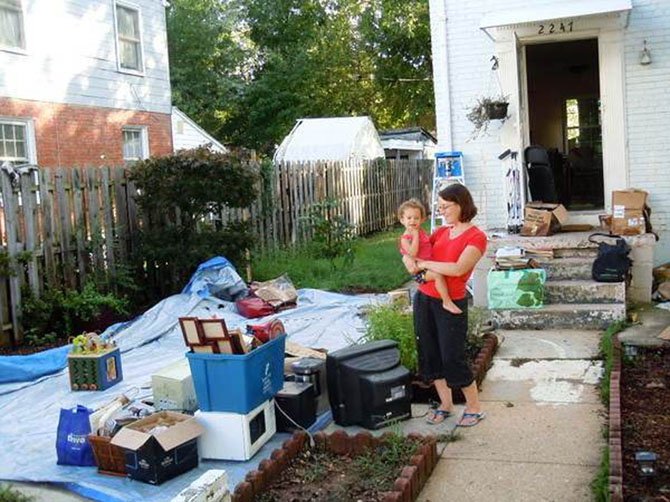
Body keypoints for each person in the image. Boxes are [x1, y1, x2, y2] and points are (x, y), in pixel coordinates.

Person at [402, 184, 487, 427]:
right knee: (430, 355)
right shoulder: (439, 232)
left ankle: (474, 408)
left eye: (446, 206)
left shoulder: (476, 237)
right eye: (439, 207)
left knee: (453, 357)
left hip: (451, 303)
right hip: (424, 299)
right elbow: (413, 257)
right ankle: (446, 404)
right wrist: (413, 262)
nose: (442, 211)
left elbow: (458, 268)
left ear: (461, 204)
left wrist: (425, 265)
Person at [397, 199, 461, 314]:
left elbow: (427, 244)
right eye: (409, 218)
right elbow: (412, 253)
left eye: (416, 218)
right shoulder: (405, 239)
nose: (413, 221)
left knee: (444, 270)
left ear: (422, 219)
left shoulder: (421, 232)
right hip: (419, 271)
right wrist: (415, 235)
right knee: (438, 275)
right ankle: (446, 301)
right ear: (402, 220)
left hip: (428, 264)